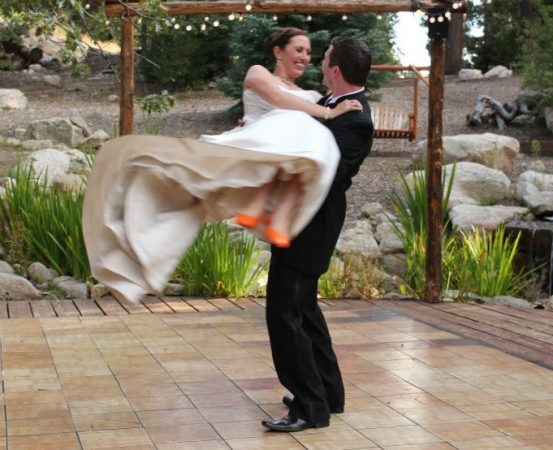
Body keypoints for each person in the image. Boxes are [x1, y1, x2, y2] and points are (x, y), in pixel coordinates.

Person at [82, 28, 361, 304]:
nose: (305, 57)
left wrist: (334, 109)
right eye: (299, 49)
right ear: (278, 51)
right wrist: (327, 112)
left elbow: (331, 120)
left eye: (310, 52)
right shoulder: (258, 73)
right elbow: (279, 101)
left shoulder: (312, 95)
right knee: (181, 190)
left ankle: (269, 209)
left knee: (310, 138)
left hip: (274, 161)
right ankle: (134, 239)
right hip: (249, 147)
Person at [261, 36, 374, 433]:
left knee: (283, 312)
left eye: (324, 58)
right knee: (304, 310)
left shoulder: (356, 120)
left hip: (310, 226)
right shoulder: (328, 105)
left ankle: (310, 408)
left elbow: (324, 175)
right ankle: (327, 392)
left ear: (335, 69)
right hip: (301, 221)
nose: (319, 62)